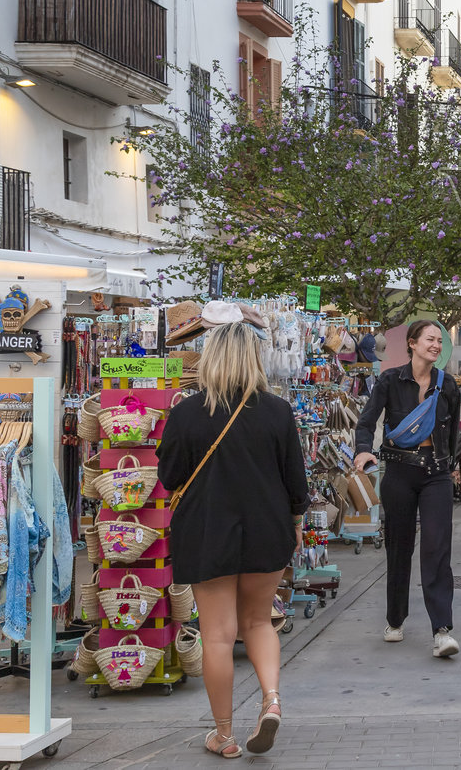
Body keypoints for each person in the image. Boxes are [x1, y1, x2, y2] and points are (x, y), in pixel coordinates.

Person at [157, 322, 308, 758]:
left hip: (206, 531)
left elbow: (169, 477)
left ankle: (224, 736)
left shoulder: (186, 413)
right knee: (259, 621)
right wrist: (296, 517)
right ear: (254, 358)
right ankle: (272, 699)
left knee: (218, 635)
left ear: (211, 357)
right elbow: (296, 480)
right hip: (268, 527)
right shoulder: (278, 412)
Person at [353, 320, 461, 658]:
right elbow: (367, 420)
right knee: (399, 548)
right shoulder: (389, 379)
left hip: (435, 474)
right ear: (413, 343)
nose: (436, 345)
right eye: (429, 339)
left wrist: (453, 467)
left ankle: (441, 630)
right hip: (399, 472)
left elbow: (455, 429)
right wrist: (362, 449)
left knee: (437, 548)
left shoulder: (448, 386)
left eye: (439, 341)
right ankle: (395, 619)